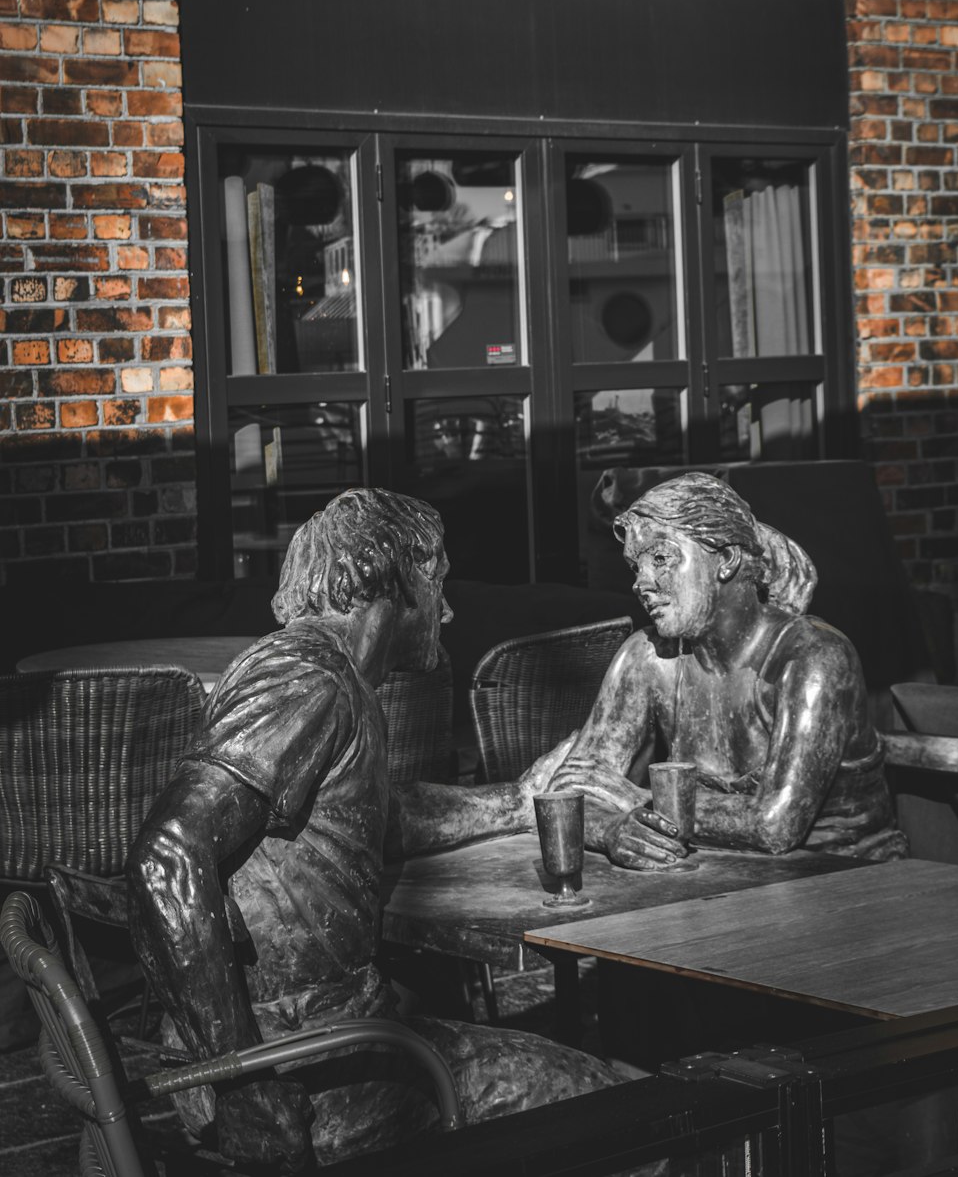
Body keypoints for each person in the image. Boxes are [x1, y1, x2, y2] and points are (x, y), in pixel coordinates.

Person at [127, 489, 621, 1174]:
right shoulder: (308, 683)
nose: (446, 610)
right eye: (436, 583)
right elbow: (167, 855)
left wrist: (518, 799)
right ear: (384, 579)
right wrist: (242, 1082)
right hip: (309, 1071)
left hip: (325, 1042)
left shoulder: (323, 677)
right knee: (624, 1107)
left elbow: (382, 818)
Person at [550, 472, 907, 867]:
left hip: (845, 881)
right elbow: (572, 789)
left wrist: (633, 798)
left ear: (726, 559)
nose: (641, 583)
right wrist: (611, 829)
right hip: (720, 876)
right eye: (636, 566)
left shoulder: (814, 658)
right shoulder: (649, 656)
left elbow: (774, 826)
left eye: (661, 558)